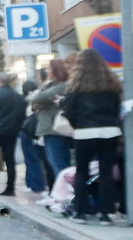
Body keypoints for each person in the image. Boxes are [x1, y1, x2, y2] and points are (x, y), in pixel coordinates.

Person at [60, 49, 123, 223]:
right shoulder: (112, 85)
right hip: (110, 132)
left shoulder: (76, 86)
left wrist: (78, 126)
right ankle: (106, 214)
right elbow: (117, 109)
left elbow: (69, 111)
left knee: (82, 172)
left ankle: (81, 212)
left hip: (84, 133)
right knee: (106, 172)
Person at [28, 57, 70, 182]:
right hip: (48, 127)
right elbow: (33, 99)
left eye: (49, 68)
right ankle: (60, 194)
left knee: (58, 163)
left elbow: (39, 96)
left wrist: (37, 99)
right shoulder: (50, 84)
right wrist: (37, 100)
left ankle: (64, 195)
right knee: (54, 162)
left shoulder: (62, 85)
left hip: (55, 128)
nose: (47, 71)